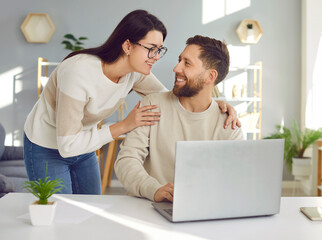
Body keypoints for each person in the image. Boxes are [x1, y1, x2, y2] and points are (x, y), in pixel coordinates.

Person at [23, 10, 238, 195]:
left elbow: (173, 98)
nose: (156, 56)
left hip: (84, 142)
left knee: (90, 211)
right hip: (49, 144)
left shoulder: (134, 73)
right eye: (150, 48)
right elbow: (68, 145)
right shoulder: (78, 72)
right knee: (59, 212)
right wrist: (124, 126)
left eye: (159, 49)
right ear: (127, 45)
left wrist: (217, 105)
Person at [114, 35, 245, 202]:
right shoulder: (152, 105)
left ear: (210, 77)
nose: (176, 68)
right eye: (179, 60)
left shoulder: (228, 122)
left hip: (203, 209)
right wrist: (153, 189)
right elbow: (127, 160)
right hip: (148, 206)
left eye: (187, 63)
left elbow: (237, 178)